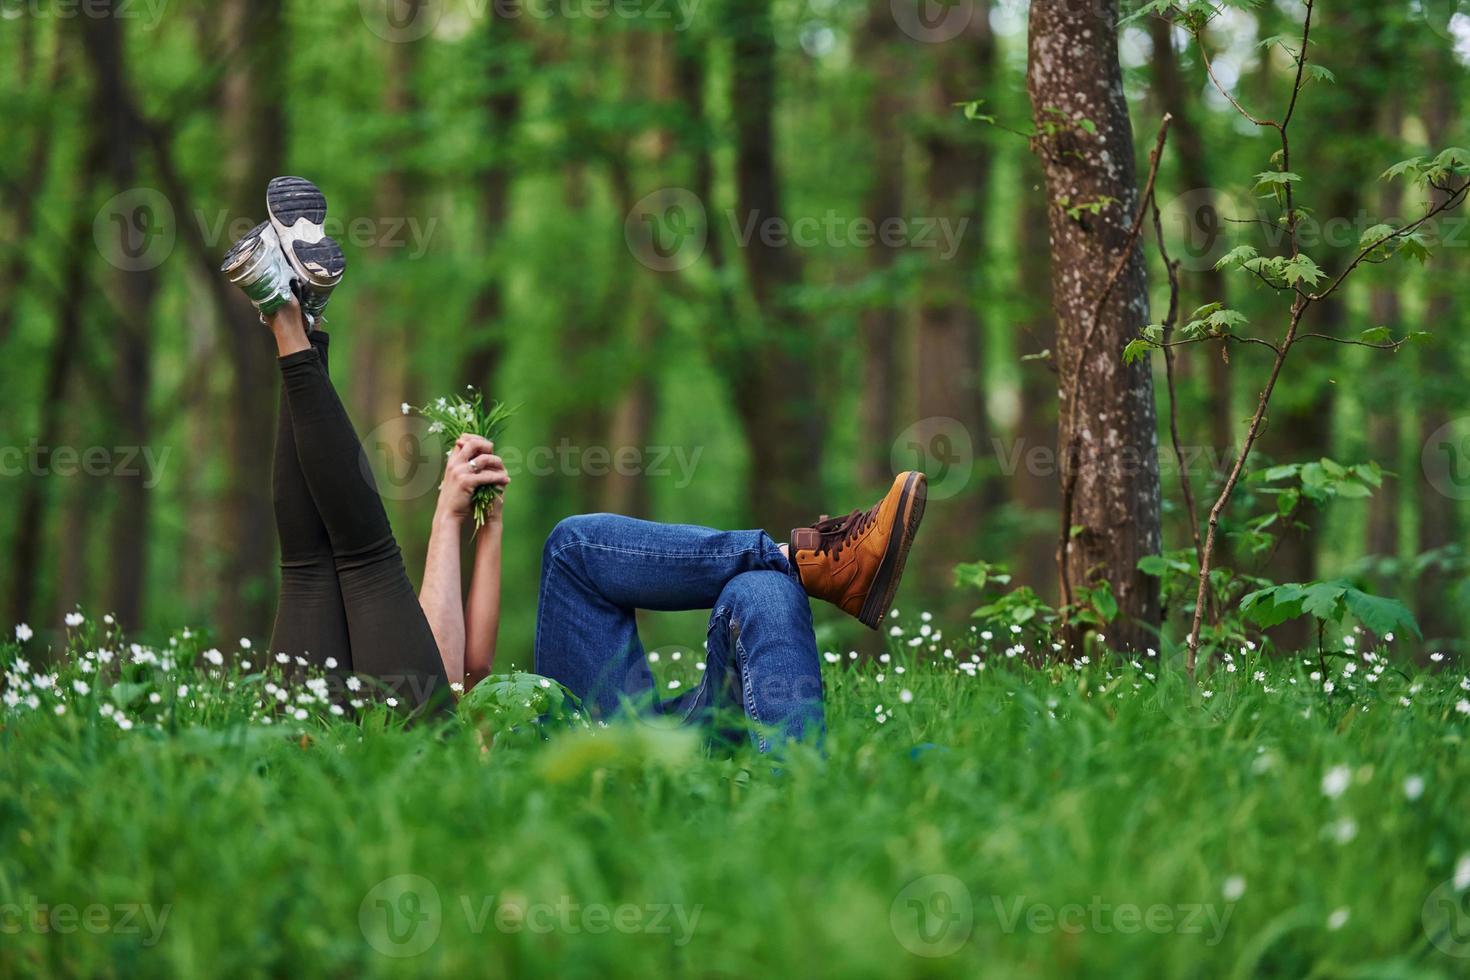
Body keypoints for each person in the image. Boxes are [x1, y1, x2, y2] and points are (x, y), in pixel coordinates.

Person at [223, 177, 928, 745]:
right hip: (448, 741)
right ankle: (291, 309)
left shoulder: (360, 743)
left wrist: (458, 521)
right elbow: (461, 673)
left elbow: (459, 671)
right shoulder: (426, 748)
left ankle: (290, 311)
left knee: (330, 561)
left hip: (367, 742)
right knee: (368, 558)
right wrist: (455, 520)